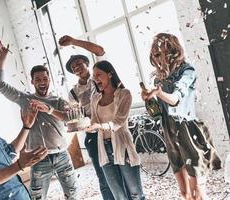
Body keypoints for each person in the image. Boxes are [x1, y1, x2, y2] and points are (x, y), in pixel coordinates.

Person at [0, 38, 77, 200]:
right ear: (32, 82)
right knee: (37, 197)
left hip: (61, 155)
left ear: (49, 80)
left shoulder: (58, 101)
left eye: (45, 79)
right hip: (38, 158)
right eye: (38, 79)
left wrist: (50, 109)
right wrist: (3, 57)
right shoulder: (24, 99)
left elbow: (69, 118)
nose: (42, 82)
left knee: (72, 194)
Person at [141, 33, 221, 200]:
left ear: (173, 51)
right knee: (185, 193)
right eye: (155, 55)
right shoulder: (158, 78)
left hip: (188, 132)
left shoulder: (187, 71)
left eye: (161, 53)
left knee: (197, 192)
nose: (158, 59)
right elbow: (156, 114)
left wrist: (160, 92)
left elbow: (176, 99)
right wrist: (149, 101)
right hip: (169, 133)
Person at [58, 35, 115, 200]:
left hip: (110, 130)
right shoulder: (73, 92)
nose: (77, 68)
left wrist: (73, 42)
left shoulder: (101, 76)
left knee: (120, 169)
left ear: (87, 64)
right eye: (73, 67)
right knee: (103, 176)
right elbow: (75, 115)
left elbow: (100, 51)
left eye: (79, 64)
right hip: (92, 135)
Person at [84, 60, 145, 200]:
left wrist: (98, 126)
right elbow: (94, 122)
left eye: (99, 74)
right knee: (118, 196)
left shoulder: (124, 94)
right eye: (94, 75)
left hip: (123, 147)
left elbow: (118, 122)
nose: (95, 78)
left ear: (110, 74)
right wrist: (85, 126)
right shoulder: (95, 98)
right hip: (104, 149)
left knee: (136, 194)